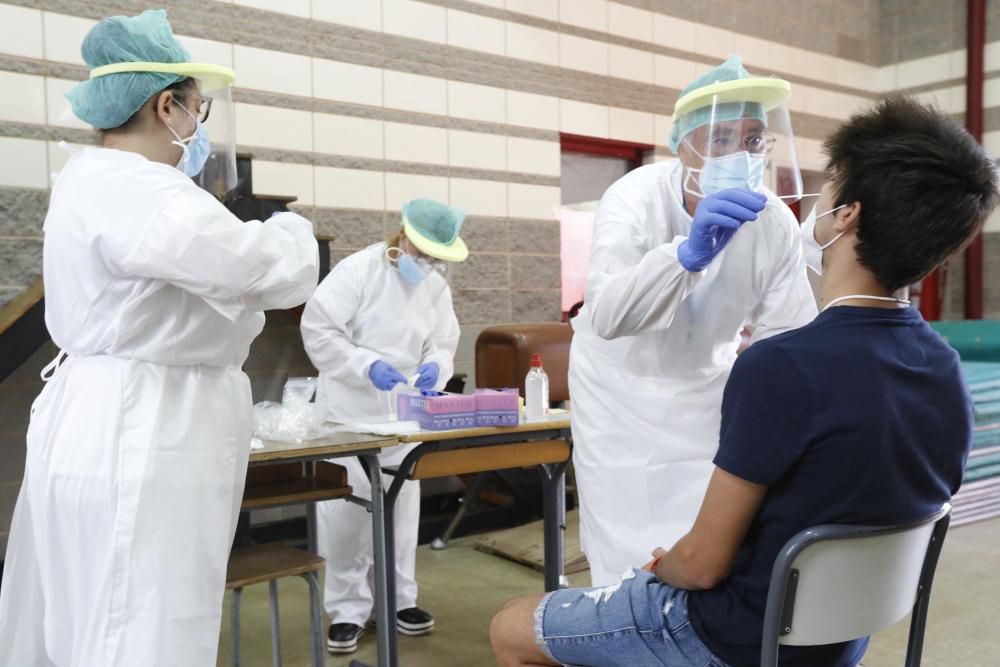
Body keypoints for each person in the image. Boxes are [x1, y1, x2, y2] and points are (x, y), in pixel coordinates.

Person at [491, 96, 998, 667]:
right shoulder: (944, 369)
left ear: (848, 215)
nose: (742, 152)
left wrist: (656, 567)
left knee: (512, 625)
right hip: (839, 638)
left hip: (735, 635)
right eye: (725, 137)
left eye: (829, 187)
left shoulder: (779, 367)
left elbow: (701, 566)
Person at [0, 10, 319, 667]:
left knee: (86, 620)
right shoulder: (143, 190)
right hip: (143, 429)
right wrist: (292, 230)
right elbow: (267, 271)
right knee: (139, 628)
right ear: (165, 103)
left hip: (104, 419)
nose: (199, 125)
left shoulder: (92, 181)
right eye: (196, 105)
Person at [568, 54, 818, 586]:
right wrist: (685, 257)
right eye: (721, 138)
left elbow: (790, 338)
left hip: (709, 392)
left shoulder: (772, 218)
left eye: (753, 139)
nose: (740, 153)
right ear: (683, 143)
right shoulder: (634, 196)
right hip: (620, 396)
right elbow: (609, 315)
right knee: (627, 559)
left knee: (707, 549)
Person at [301, 198, 466, 654]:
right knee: (347, 516)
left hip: (402, 413)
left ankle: (398, 601)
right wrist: (364, 364)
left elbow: (443, 340)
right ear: (403, 233)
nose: (428, 262)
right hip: (349, 412)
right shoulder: (359, 271)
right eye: (424, 251)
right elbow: (318, 329)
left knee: (400, 512)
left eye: (436, 255)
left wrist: (436, 365)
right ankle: (348, 610)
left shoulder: (434, 286)